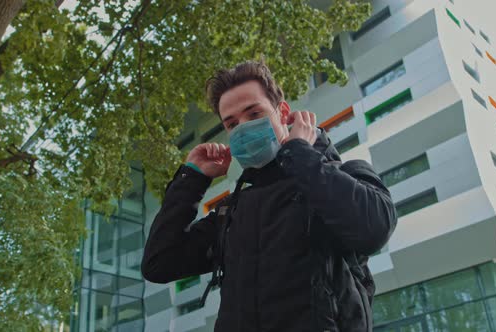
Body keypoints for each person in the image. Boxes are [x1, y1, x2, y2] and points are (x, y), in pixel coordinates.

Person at [142, 61, 397, 331]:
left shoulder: (348, 175)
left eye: (254, 114)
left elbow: (374, 229)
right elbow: (160, 263)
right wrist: (192, 179)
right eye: (232, 124)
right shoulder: (231, 213)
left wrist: (299, 152)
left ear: (283, 112)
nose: (242, 128)